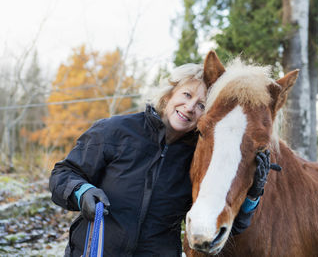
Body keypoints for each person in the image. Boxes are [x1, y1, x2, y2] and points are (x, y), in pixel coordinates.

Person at [49, 63, 269, 256]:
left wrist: (252, 196)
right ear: (169, 95)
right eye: (186, 95)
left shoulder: (196, 159)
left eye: (202, 105)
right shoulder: (114, 131)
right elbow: (63, 173)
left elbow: (229, 223)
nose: (191, 107)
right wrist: (82, 191)